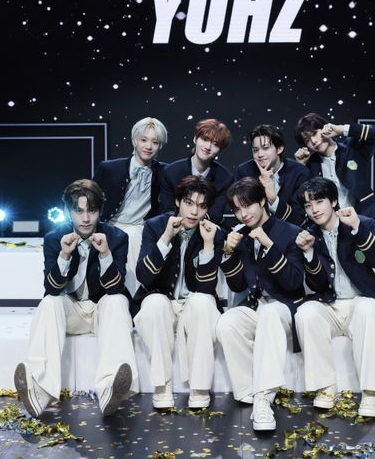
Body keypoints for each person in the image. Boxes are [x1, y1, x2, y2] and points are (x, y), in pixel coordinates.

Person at [14, 179, 136, 418]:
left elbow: (115, 288)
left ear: (100, 211)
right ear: (68, 211)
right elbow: (51, 288)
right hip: (73, 312)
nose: (86, 219)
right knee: (50, 302)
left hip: (103, 311)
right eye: (79, 211)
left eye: (92, 211)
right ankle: (39, 389)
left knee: (118, 300)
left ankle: (111, 388)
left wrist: (105, 255)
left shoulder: (117, 237)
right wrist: (64, 256)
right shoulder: (54, 238)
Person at [293, 177, 375, 417]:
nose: (314, 209)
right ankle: (325, 387)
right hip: (329, 305)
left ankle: (370, 393)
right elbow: (316, 284)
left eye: (319, 201)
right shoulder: (308, 235)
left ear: (333, 201)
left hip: (359, 301)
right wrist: (308, 253)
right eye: (308, 205)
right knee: (305, 313)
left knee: (368, 308)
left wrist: (358, 229)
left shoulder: (362, 223)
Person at [216, 177, 305, 431]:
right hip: (257, 307)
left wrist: (268, 244)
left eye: (248, 206)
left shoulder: (290, 232)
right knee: (227, 322)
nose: (243, 214)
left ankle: (264, 398)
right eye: (237, 209)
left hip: (285, 307)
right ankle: (249, 391)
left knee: (270, 313)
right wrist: (228, 253)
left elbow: (293, 282)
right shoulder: (240, 236)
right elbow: (236, 286)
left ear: (263, 201)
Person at [133, 175, 225, 409]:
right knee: (154, 303)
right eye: (189, 203)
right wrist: (166, 237)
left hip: (193, 304)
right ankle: (162, 385)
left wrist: (208, 244)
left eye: (202, 206)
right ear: (177, 202)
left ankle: (199, 387)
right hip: (163, 300)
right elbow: (144, 277)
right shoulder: (155, 226)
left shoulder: (213, 233)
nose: (194, 212)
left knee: (203, 302)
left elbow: (206, 288)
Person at [93, 117, 168, 295]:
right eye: (143, 140)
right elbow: (90, 198)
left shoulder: (165, 172)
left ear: (160, 146)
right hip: (111, 225)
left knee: (135, 238)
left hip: (140, 228)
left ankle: (135, 299)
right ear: (134, 141)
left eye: (154, 142)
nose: (148, 146)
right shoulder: (109, 168)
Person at [294, 112, 375, 225]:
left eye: (315, 133)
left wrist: (340, 129)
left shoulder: (352, 149)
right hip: (333, 225)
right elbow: (303, 200)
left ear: (325, 127)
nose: (313, 141)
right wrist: (301, 166)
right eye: (307, 140)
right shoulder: (311, 164)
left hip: (365, 218)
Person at [160, 118, 233, 224]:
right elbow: (167, 210)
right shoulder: (171, 172)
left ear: (220, 150)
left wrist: (195, 223)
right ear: (195, 139)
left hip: (205, 228)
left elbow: (215, 214)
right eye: (205, 139)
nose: (208, 147)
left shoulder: (225, 179)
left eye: (215, 144)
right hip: (173, 226)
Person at [234, 124, 310, 227]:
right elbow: (240, 210)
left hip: (289, 231)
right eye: (255, 150)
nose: (260, 155)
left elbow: (299, 219)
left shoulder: (299, 173)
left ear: (279, 148)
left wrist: (273, 200)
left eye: (265, 148)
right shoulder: (244, 171)